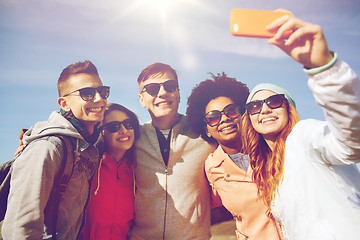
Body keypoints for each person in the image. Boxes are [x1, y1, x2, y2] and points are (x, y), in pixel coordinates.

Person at [242, 14, 360, 239]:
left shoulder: (303, 136)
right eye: (255, 106)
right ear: (249, 117)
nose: (265, 109)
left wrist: (324, 69)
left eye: (274, 102)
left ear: (289, 109)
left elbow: (350, 142)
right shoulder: (268, 170)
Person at [2, 60, 109, 239]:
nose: (99, 98)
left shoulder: (91, 144)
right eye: (87, 93)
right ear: (64, 103)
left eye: (103, 91)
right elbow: (20, 227)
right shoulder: (47, 148)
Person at [186, 73, 283, 240]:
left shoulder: (274, 146)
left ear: (242, 114)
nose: (223, 119)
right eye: (213, 117)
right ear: (207, 129)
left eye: (230, 111)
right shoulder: (211, 168)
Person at [130, 63, 216, 239]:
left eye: (169, 86)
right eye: (152, 89)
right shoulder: (131, 139)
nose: (162, 93)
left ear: (178, 93)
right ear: (141, 99)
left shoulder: (206, 133)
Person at [79, 103, 140, 239]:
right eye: (114, 127)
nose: (124, 131)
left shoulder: (137, 170)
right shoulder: (88, 165)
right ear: (101, 131)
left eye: (128, 124)